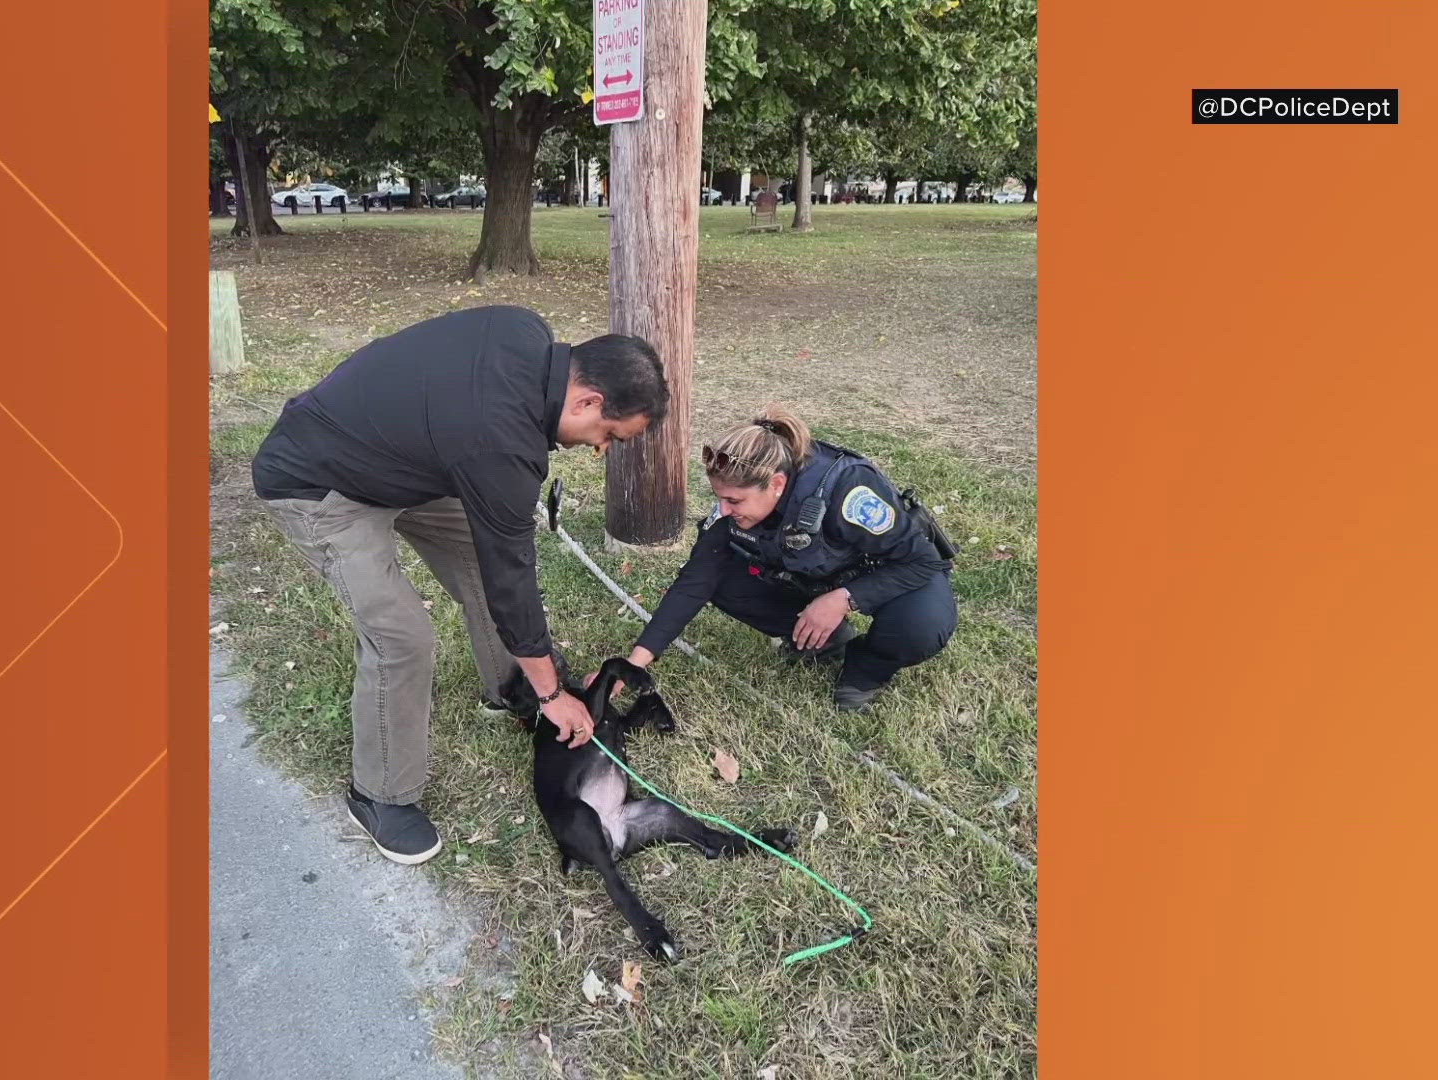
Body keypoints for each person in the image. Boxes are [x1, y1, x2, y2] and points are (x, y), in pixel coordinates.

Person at [251, 305, 669, 864]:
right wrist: (554, 692)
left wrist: (534, 676)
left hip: (405, 461)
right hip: (316, 481)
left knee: (477, 557)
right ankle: (381, 795)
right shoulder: (502, 446)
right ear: (587, 401)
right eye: (609, 435)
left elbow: (498, 563)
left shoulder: (526, 329)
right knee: (401, 636)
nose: (600, 448)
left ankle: (509, 688)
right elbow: (512, 576)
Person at [604, 406, 957, 713]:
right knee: (722, 579)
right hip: (818, 573)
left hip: (888, 568)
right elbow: (694, 581)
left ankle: (865, 668)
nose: (724, 510)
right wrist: (633, 665)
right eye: (719, 498)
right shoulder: (735, 505)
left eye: (734, 501)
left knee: (921, 627)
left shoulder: (849, 491)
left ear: (775, 483)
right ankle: (827, 639)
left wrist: (844, 599)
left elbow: (922, 561)